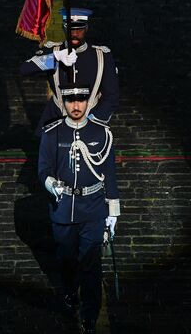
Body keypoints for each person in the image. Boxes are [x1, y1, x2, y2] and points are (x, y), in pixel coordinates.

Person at [38, 82, 120, 334]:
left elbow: (109, 173)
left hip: (93, 210)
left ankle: (89, 315)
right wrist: (51, 184)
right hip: (63, 210)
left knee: (92, 264)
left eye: (81, 100)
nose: (76, 106)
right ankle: (71, 291)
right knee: (66, 260)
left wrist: (113, 212)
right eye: (71, 100)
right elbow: (43, 169)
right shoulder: (52, 133)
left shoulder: (101, 133)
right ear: (64, 102)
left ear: (88, 102)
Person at [20, 8, 119, 136]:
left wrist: (93, 122)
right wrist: (55, 57)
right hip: (56, 121)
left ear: (86, 29)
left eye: (80, 29)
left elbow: (111, 97)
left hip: (90, 122)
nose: (75, 33)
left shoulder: (101, 55)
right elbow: (24, 69)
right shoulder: (54, 51)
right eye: (71, 29)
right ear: (64, 28)